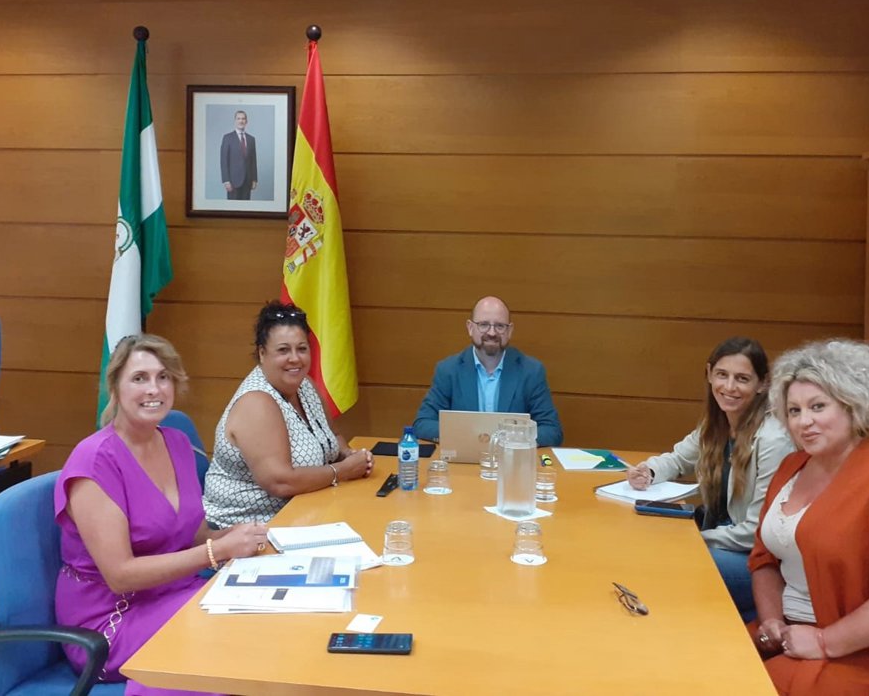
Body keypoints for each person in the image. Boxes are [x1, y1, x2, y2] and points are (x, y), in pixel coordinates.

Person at [54, 334, 268, 696]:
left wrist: (240, 537)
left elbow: (195, 536)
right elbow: (120, 575)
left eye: (163, 377)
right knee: (233, 640)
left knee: (267, 620)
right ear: (115, 387)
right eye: (139, 378)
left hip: (174, 592)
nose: (153, 388)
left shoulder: (177, 443)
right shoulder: (94, 461)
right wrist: (217, 551)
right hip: (110, 619)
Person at [748, 340, 869, 696]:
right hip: (789, 634)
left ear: (853, 405)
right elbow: (764, 558)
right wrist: (772, 620)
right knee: (705, 660)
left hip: (864, 651)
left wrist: (823, 641)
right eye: (794, 411)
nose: (804, 421)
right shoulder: (791, 466)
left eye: (818, 406)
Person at [625, 337, 793, 617]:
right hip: (720, 539)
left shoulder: (773, 440)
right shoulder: (717, 423)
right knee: (644, 542)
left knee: (672, 565)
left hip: (757, 560)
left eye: (742, 379)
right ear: (709, 374)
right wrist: (649, 471)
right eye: (722, 375)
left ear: (763, 384)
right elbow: (678, 459)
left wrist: (696, 539)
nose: (729, 387)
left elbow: (757, 532)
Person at [204, 301, 373, 527]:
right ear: (262, 353)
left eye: (301, 349)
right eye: (283, 350)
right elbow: (280, 483)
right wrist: (342, 471)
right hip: (244, 529)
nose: (295, 358)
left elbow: (333, 436)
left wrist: (348, 454)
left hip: (302, 514)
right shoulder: (256, 402)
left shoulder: (305, 385)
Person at [412, 295, 563, 447]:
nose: (491, 333)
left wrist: (510, 438)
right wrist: (465, 435)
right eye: (483, 325)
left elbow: (552, 430)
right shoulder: (448, 370)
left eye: (499, 326)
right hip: (464, 458)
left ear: (509, 330)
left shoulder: (531, 371)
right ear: (470, 328)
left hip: (511, 457)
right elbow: (422, 424)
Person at [220, 109, 257, 200]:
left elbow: (253, 161)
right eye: (238, 119)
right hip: (233, 182)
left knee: (246, 207)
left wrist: (254, 179)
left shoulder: (251, 139)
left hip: (247, 181)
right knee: (233, 207)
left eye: (243, 119)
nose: (241, 121)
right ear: (235, 121)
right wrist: (226, 180)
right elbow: (224, 161)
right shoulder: (227, 138)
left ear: (246, 121)